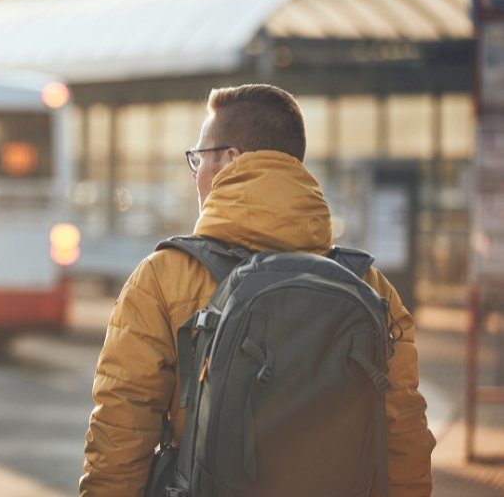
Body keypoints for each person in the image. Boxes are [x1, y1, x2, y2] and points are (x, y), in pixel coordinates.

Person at [79, 84, 435, 496]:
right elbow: (403, 434)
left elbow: (121, 430)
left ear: (230, 161)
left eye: (198, 159)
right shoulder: (370, 286)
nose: (197, 175)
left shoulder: (163, 278)